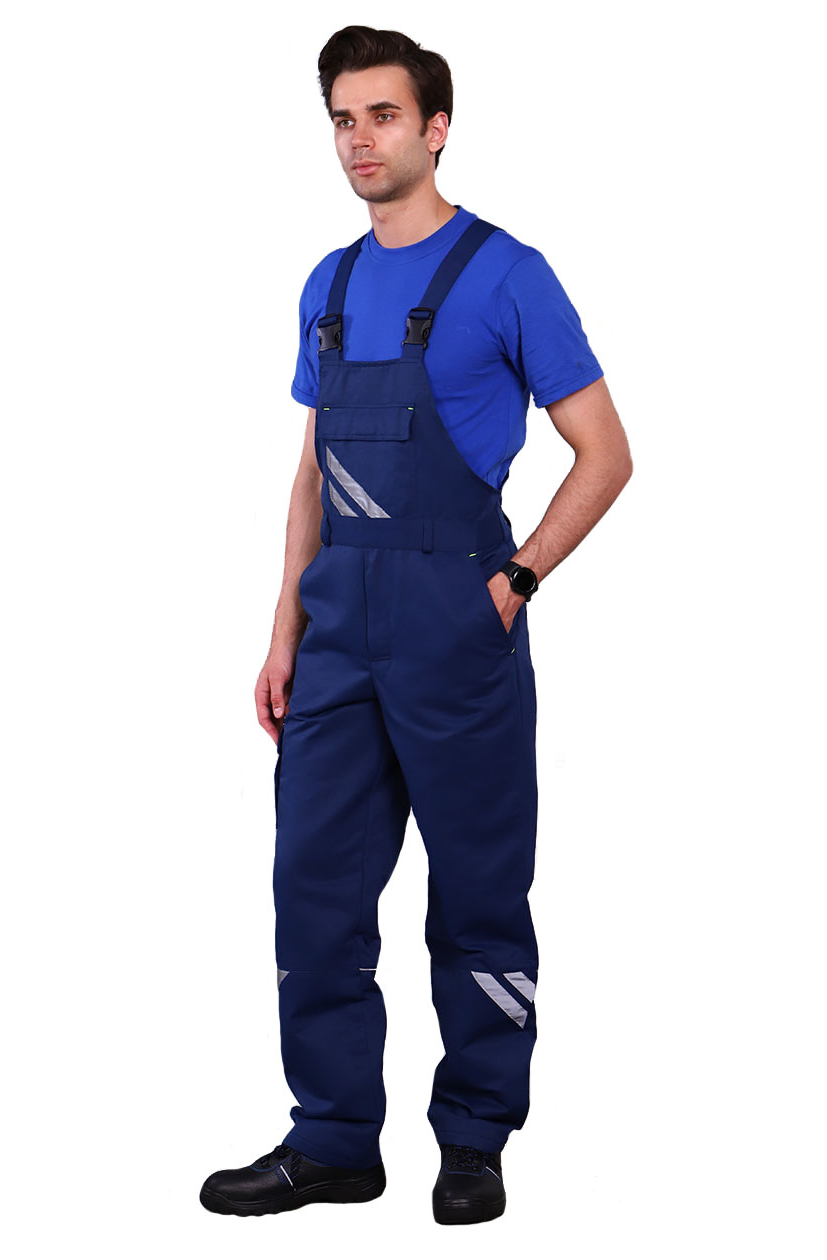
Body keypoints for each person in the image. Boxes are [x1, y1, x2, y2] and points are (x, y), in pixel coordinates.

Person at [200, 24, 632, 1227]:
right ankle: (334, 1141)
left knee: (479, 894)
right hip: (338, 626)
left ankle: (476, 1139)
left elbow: (606, 453)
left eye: (382, 115)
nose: (359, 140)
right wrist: (283, 632)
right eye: (342, 119)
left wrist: (517, 581)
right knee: (314, 890)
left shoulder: (509, 274)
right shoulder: (329, 285)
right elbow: (312, 475)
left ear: (436, 129)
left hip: (458, 619)